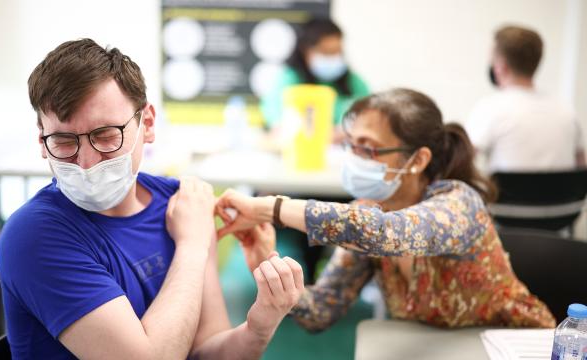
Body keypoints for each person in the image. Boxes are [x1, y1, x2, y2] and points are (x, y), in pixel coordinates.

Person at [0, 39, 304, 359]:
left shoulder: (180, 205)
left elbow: (206, 351)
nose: (87, 162)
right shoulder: (34, 236)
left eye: (105, 135)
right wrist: (192, 246)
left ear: (148, 124)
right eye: (63, 141)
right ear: (42, 142)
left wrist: (259, 327)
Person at [217, 88, 556, 330]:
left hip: (518, 344)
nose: (354, 159)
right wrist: (266, 264)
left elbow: (387, 232)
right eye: (352, 146)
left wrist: (270, 207)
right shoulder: (367, 211)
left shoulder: (458, 203)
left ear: (418, 159)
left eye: (370, 149)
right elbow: (320, 310)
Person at [465, 25, 585, 173]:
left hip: (505, 196)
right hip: (567, 197)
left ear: (501, 67)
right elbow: (581, 166)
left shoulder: (489, 108)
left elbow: (462, 162)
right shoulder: (566, 110)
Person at [260, 17, 370, 143]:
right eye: (326, 52)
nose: (333, 57)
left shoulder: (353, 82)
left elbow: (369, 115)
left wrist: (342, 132)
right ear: (305, 50)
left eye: (337, 51)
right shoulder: (288, 81)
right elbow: (277, 121)